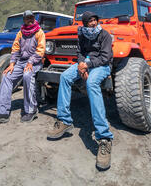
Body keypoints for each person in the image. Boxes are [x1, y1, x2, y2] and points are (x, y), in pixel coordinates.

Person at [47, 11, 114, 170]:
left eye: (94, 20)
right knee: (64, 77)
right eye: (89, 21)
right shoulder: (82, 34)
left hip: (102, 66)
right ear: (84, 23)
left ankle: (104, 138)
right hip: (86, 64)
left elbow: (105, 57)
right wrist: (81, 65)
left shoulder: (105, 35)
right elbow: (80, 52)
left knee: (91, 83)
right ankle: (64, 120)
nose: (93, 23)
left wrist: (87, 66)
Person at [0, 10, 46, 125]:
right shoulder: (20, 33)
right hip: (21, 62)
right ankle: (2, 113)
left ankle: (31, 110)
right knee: (6, 75)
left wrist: (30, 62)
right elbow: (15, 49)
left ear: (34, 18)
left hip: (35, 62)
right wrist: (12, 63)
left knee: (27, 75)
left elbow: (41, 50)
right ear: (24, 20)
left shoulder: (39, 32)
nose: (29, 20)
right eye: (27, 18)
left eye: (31, 17)